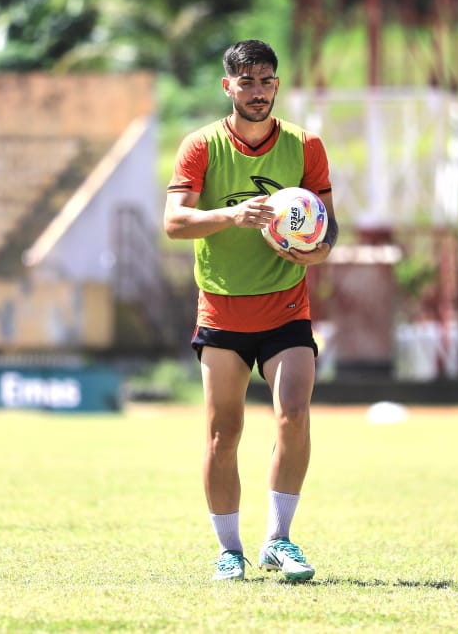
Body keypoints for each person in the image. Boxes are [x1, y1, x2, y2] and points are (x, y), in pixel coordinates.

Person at [164, 39, 339, 580]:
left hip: (287, 307)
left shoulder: (306, 147)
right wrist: (234, 215)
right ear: (228, 87)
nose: (258, 92)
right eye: (247, 82)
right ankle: (228, 551)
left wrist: (308, 248)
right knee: (223, 433)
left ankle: (279, 541)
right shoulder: (201, 147)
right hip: (221, 313)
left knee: (294, 414)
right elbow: (174, 221)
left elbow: (329, 231)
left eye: (266, 81)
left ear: (277, 85)